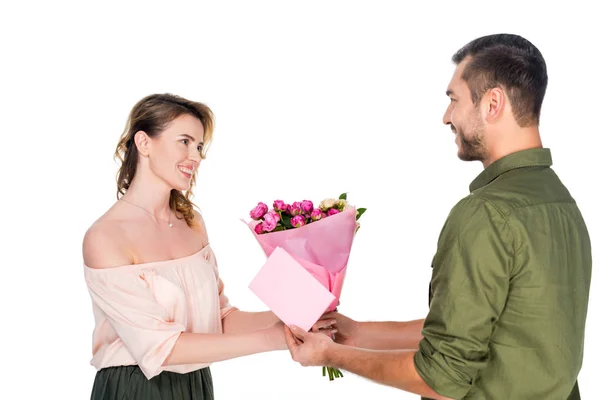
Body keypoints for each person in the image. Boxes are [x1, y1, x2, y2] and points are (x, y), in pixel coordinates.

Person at [285, 33, 592, 399]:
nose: (447, 116)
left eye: (454, 99)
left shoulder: (486, 214)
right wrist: (359, 332)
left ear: (492, 103)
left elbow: (441, 379)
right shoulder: (561, 203)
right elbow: (484, 327)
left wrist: (332, 354)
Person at [81, 93, 320, 399]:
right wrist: (276, 339)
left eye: (199, 146)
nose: (195, 156)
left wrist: (295, 317)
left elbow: (218, 320)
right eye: (184, 141)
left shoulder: (191, 222)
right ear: (144, 143)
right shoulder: (106, 237)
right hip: (135, 389)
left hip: (196, 385)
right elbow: (161, 349)